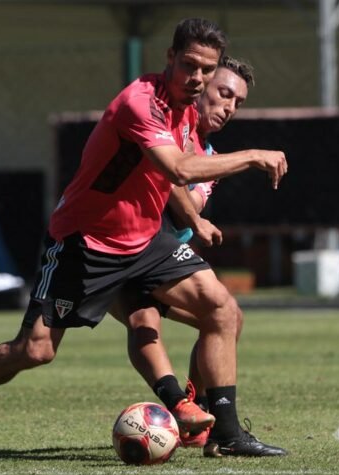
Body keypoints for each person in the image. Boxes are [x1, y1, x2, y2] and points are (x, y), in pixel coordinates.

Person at [0, 18, 288, 458]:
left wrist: (192, 219)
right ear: (170, 58)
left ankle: (225, 434)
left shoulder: (188, 114)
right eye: (190, 65)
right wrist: (254, 155)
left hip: (145, 241)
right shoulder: (141, 103)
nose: (197, 78)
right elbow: (178, 169)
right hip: (85, 242)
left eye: (206, 70)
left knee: (223, 311)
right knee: (35, 350)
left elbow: (168, 174)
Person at [111, 55, 254, 449]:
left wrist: (193, 199)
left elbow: (187, 197)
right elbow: (171, 175)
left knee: (227, 318)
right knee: (141, 320)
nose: (229, 107)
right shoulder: (161, 125)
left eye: (238, 103)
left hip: (157, 255)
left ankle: (196, 405)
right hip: (112, 242)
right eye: (224, 93)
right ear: (201, 84)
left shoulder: (208, 157)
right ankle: (183, 408)